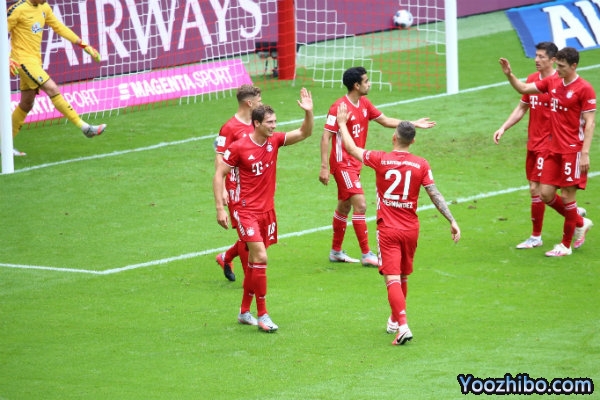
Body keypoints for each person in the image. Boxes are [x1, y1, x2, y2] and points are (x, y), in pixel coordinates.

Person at [336, 102, 460, 345]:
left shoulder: (380, 159)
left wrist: (341, 123)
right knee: (403, 276)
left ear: (394, 138)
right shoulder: (422, 164)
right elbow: (434, 194)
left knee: (391, 278)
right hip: (411, 229)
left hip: (388, 229)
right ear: (413, 141)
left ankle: (403, 326)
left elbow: (351, 148)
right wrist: (452, 220)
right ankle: (394, 319)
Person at [213, 88, 313, 332]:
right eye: (269, 122)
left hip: (266, 211)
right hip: (245, 210)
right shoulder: (239, 147)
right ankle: (263, 314)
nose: (274, 126)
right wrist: (220, 208)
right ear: (256, 123)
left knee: (253, 264)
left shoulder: (274, 141)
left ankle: (244, 311)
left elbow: (304, 132)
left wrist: (308, 113)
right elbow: (219, 174)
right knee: (261, 258)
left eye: (275, 122)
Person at [319, 66, 435, 266]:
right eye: (366, 81)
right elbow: (325, 136)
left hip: (355, 163)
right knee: (361, 205)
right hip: (342, 163)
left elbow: (385, 120)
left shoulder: (364, 103)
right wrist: (323, 167)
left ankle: (336, 252)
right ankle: (367, 255)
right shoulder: (339, 107)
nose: (369, 84)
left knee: (344, 206)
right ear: (356, 85)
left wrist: (413, 123)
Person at [499, 47, 595, 257]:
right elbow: (524, 88)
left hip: (572, 151)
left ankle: (565, 245)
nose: (557, 70)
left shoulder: (584, 89)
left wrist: (585, 153)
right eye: (557, 65)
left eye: (562, 66)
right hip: (553, 149)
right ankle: (580, 221)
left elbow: (590, 123)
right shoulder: (553, 82)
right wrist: (509, 75)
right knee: (545, 193)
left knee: (567, 197)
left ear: (573, 66)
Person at [7, 0, 105, 156]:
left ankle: (4, 145)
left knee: (27, 103)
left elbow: (59, 27)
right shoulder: (17, 10)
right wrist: (6, 59)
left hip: (35, 61)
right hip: (22, 61)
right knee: (52, 88)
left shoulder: (44, 7)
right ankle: (85, 127)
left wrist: (83, 45)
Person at [214, 84, 262, 282]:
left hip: (255, 188)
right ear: (249, 103)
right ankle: (249, 281)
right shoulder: (229, 128)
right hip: (236, 188)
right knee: (247, 235)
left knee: (254, 232)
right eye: (259, 100)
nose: (261, 103)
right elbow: (219, 158)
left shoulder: (257, 123)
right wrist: (223, 190)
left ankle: (225, 257)